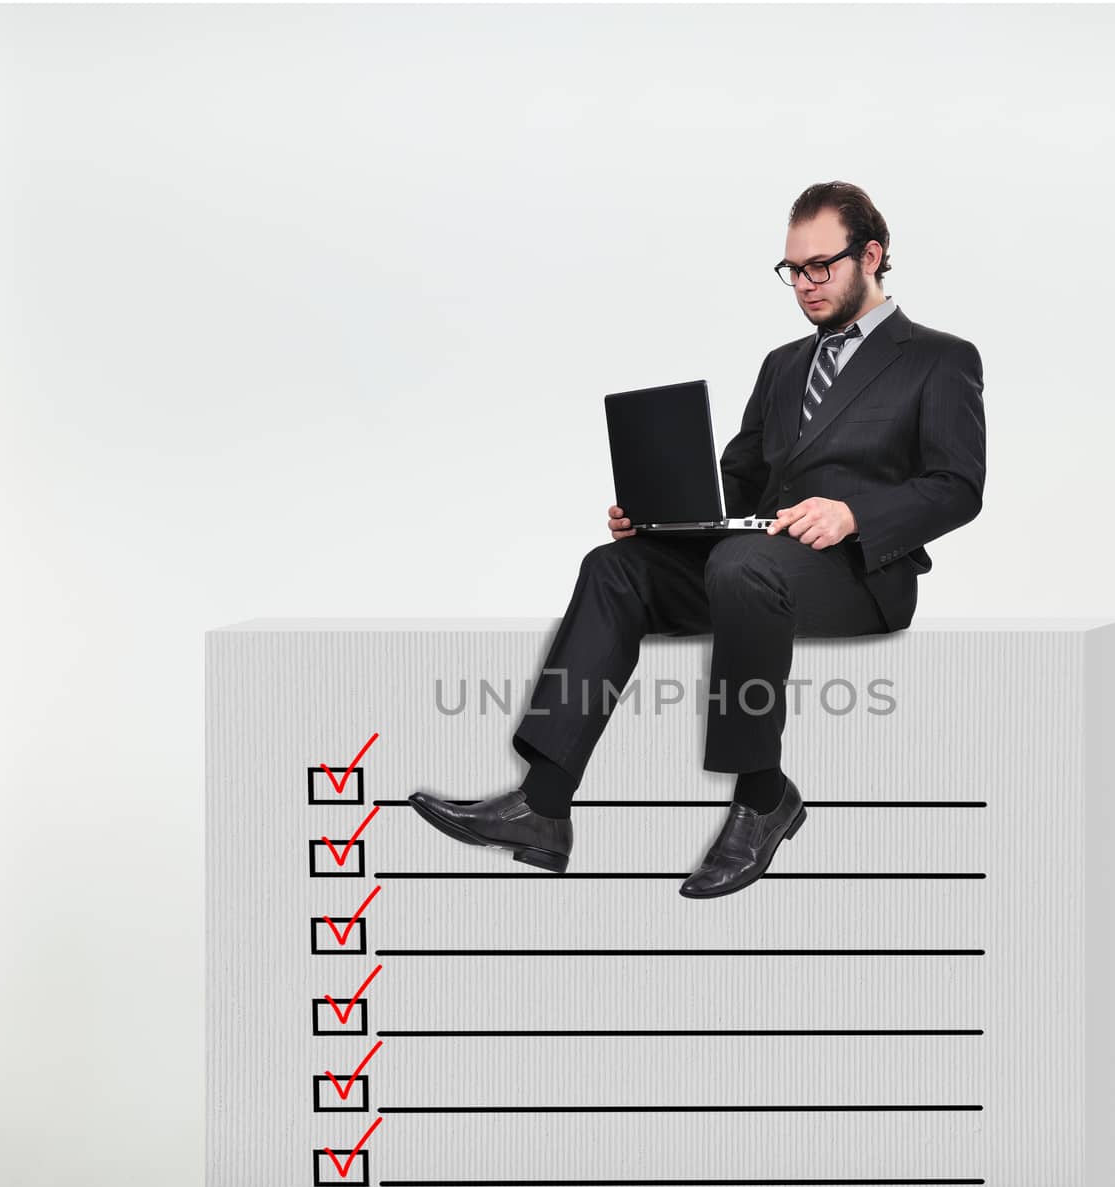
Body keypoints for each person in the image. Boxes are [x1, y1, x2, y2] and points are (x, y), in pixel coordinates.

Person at [409, 181, 986, 899]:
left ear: (871, 256)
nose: (804, 285)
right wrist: (663, 518)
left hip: (861, 575)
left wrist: (854, 515)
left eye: (821, 267)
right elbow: (740, 483)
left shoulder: (940, 358)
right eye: (792, 270)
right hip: (757, 564)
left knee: (744, 567)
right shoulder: (782, 366)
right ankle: (543, 805)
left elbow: (958, 487)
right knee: (616, 567)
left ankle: (760, 795)